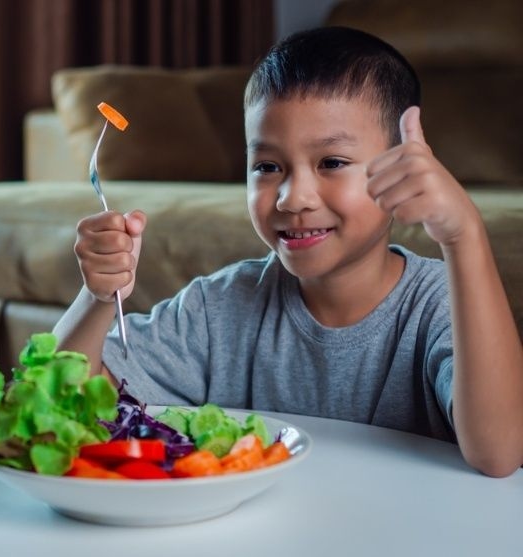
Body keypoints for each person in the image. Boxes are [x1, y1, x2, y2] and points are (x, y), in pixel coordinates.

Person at [53, 27, 523, 477]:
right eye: (268, 166)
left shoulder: (440, 303)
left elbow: (499, 454)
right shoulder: (221, 307)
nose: (292, 198)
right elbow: (61, 403)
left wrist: (464, 237)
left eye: (332, 163)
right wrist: (95, 299)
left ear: (404, 166)